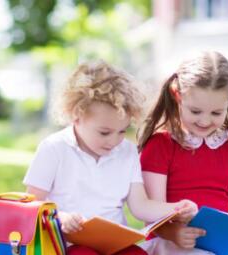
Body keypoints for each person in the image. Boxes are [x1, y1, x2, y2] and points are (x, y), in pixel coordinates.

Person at [23, 61, 197, 255]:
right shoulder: (54, 148)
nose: (114, 141)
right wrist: (60, 217)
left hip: (114, 243)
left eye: (122, 131)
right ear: (76, 116)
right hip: (68, 243)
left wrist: (176, 208)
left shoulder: (128, 151)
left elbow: (141, 207)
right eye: (104, 132)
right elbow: (32, 204)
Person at [137, 51, 228, 254]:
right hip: (172, 241)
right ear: (177, 94)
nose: (205, 121)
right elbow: (152, 211)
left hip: (220, 243)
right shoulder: (160, 145)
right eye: (195, 111)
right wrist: (174, 233)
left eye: (216, 113)